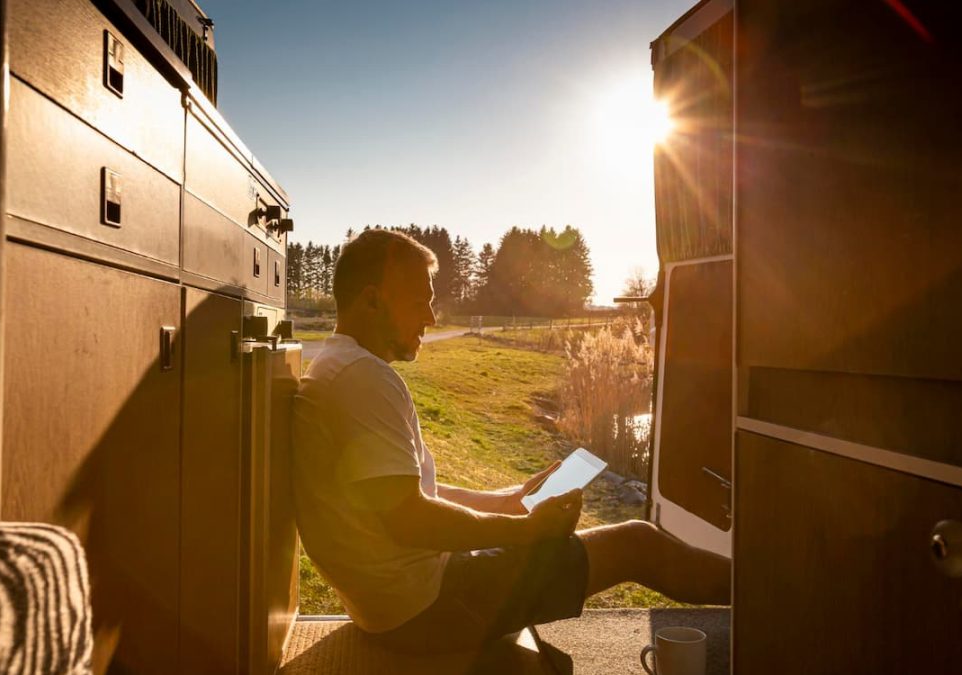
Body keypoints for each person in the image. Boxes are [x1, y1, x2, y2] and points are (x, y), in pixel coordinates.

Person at [292, 229, 729, 654]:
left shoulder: (338, 367)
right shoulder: (364, 378)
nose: (431, 316)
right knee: (638, 543)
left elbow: (405, 495)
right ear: (371, 299)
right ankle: (776, 599)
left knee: (621, 538)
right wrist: (526, 530)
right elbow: (411, 520)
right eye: (420, 301)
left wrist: (506, 501)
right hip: (431, 607)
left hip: (399, 601)